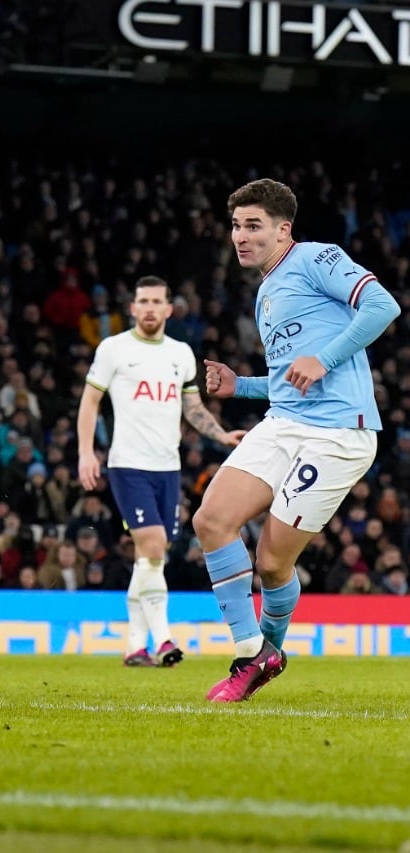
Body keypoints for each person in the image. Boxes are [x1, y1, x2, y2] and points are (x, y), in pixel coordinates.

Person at [198, 179, 399, 702]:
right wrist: (239, 385)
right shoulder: (267, 290)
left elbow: (382, 307)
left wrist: (326, 358)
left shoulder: (315, 257)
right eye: (237, 226)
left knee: (271, 564)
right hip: (283, 421)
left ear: (283, 230)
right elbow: (294, 377)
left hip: (338, 434)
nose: (240, 236)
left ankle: (269, 649)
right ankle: (252, 653)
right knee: (211, 520)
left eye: (254, 226)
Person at [77, 276, 244, 668]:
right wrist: (86, 453)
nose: (150, 308)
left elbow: (192, 407)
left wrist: (220, 435)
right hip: (128, 465)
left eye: (157, 302)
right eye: (143, 302)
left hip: (168, 468)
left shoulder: (181, 354)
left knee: (151, 558)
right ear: (132, 308)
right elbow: (89, 403)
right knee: (152, 546)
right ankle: (164, 640)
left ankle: (135, 646)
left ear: (169, 309)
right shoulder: (114, 349)